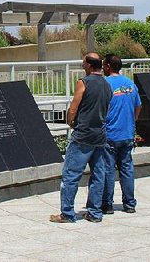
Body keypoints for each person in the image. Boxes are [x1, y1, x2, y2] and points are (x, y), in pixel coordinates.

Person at [50, 52, 113, 223]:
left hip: (83, 135)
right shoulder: (107, 85)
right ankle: (94, 213)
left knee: (71, 174)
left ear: (89, 65)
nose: (82, 65)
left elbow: (73, 107)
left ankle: (67, 214)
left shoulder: (83, 82)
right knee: (98, 175)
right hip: (100, 136)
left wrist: (71, 122)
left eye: (83, 62)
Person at [101, 53, 142, 214]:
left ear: (108, 66)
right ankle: (129, 204)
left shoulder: (105, 84)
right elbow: (138, 105)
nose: (103, 67)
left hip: (110, 134)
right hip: (127, 134)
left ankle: (107, 204)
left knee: (108, 170)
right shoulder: (130, 84)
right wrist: (132, 122)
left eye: (104, 65)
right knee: (127, 169)